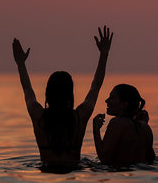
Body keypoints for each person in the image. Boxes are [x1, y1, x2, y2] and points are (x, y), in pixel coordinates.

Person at [12, 26, 113, 173]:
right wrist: (104, 54)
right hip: (74, 169)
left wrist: (20, 63)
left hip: (46, 170)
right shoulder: (80, 116)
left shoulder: (37, 114)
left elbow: (27, 89)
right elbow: (95, 86)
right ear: (70, 93)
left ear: (48, 92)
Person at [93, 84, 155, 166]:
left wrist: (96, 130)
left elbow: (104, 159)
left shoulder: (116, 123)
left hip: (119, 173)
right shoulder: (145, 126)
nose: (106, 101)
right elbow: (151, 158)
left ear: (124, 104)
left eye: (111, 97)